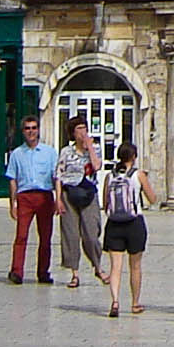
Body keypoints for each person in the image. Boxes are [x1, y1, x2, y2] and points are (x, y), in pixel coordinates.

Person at [99, 140, 159, 318]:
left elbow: (105, 203)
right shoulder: (138, 175)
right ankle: (135, 303)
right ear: (133, 157)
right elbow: (153, 199)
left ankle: (115, 301)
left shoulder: (110, 176)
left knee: (115, 267)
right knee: (135, 266)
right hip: (134, 223)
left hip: (114, 224)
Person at [5, 115, 61, 285]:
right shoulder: (17, 154)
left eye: (34, 128)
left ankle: (43, 272)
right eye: (27, 128)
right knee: (21, 235)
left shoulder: (49, 152)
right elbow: (12, 179)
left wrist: (58, 199)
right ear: (23, 131)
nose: (31, 132)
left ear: (38, 130)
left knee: (45, 236)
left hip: (44, 196)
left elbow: (56, 177)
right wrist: (13, 203)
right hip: (25, 197)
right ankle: (17, 271)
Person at [55, 117, 106, 289]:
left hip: (88, 192)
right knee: (71, 234)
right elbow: (59, 175)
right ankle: (74, 273)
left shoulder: (95, 148)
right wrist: (58, 199)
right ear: (72, 132)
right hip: (69, 193)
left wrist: (89, 147)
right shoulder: (66, 152)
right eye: (78, 129)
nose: (82, 132)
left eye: (84, 128)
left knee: (91, 233)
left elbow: (97, 166)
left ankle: (97, 266)